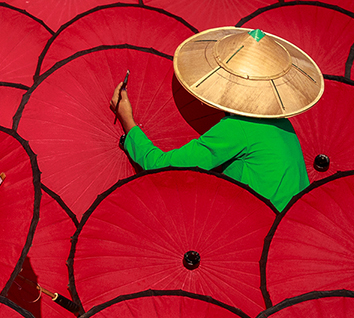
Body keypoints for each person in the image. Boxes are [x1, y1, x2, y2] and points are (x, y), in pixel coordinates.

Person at [110, 26, 321, 211]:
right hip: (287, 225)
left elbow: (163, 169)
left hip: (257, 228)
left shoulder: (238, 128)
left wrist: (127, 121)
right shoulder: (283, 123)